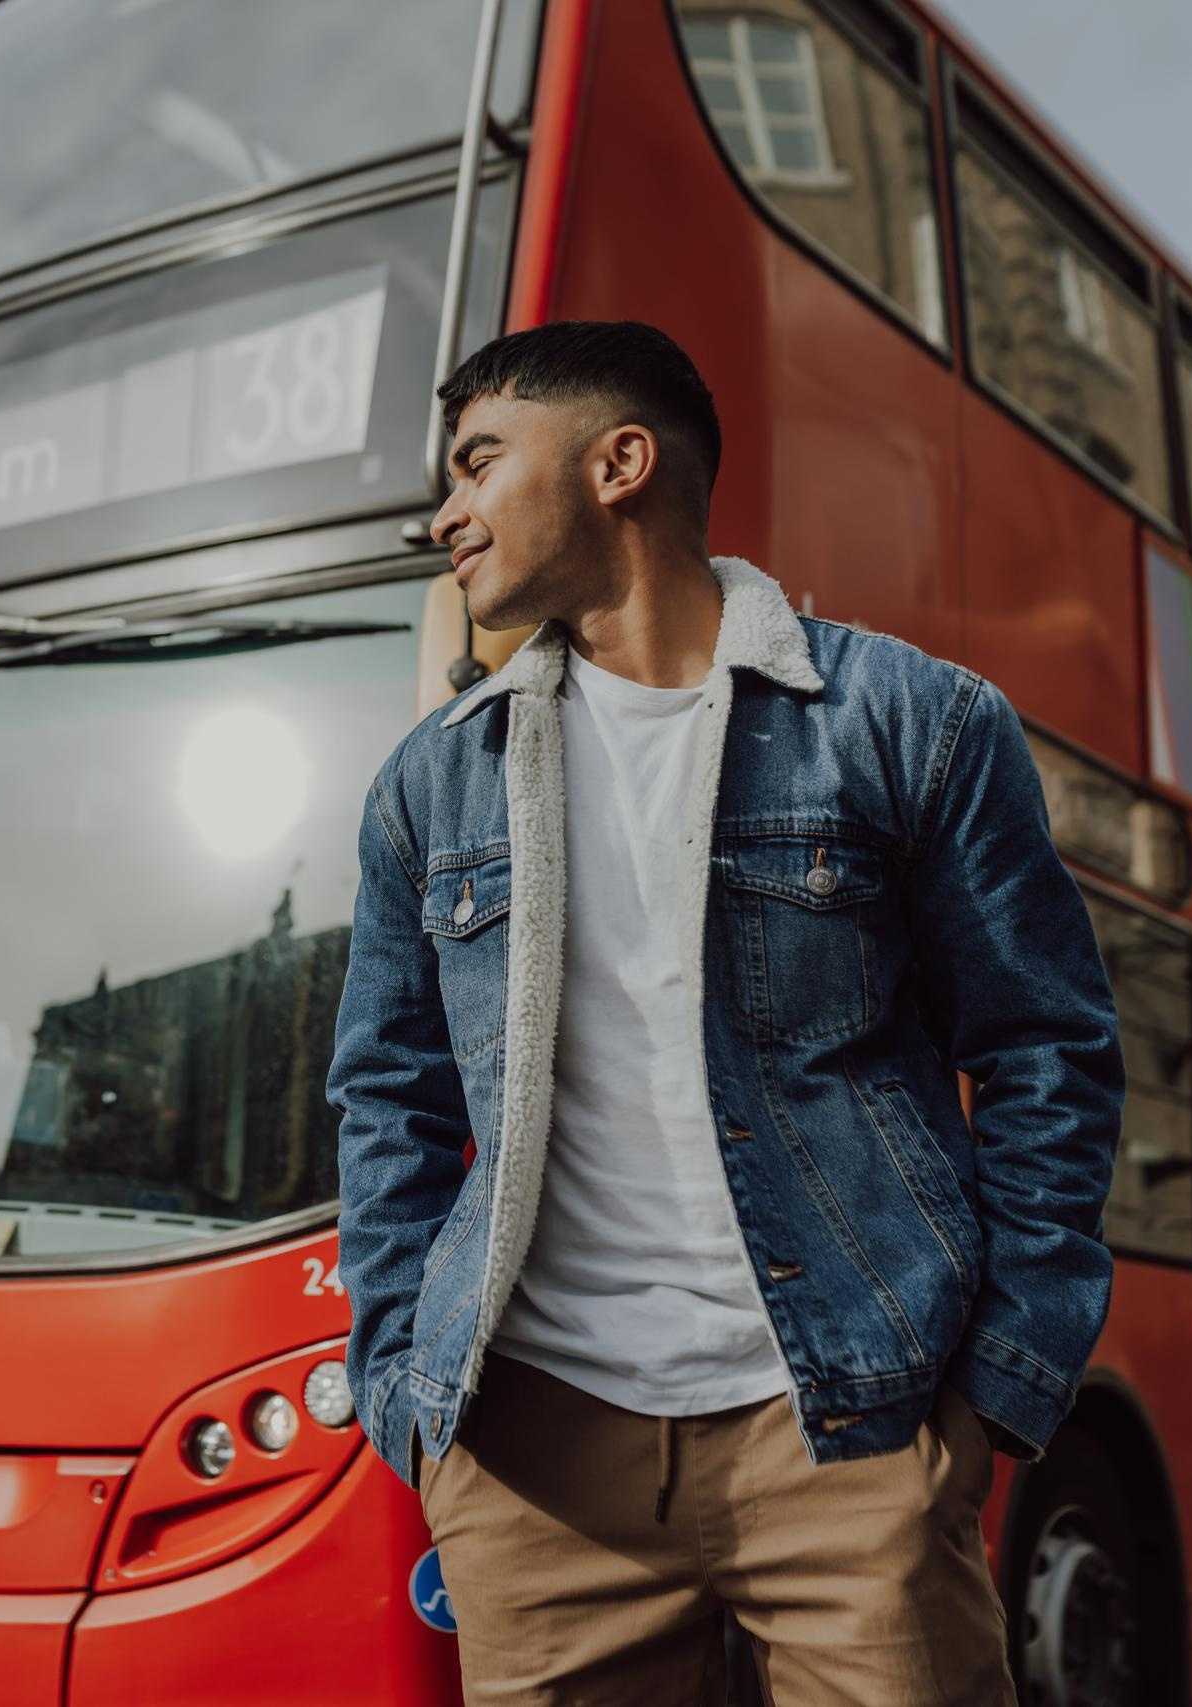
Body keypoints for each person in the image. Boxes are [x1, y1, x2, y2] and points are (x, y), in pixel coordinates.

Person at [327, 321, 1124, 1705]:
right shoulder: (430, 785)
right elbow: (386, 1098)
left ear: (620, 463)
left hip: (848, 1435)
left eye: (475, 464)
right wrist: (405, 1383)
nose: (441, 514)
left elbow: (1047, 1048)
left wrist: (998, 1379)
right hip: (537, 1465)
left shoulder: (910, 722)